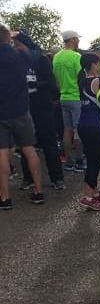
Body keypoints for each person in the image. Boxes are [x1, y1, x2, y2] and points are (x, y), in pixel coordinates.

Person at [0, 25, 45, 208]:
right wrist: (22, 35)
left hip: (1, 113)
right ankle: (38, 191)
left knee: (2, 153)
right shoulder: (20, 56)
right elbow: (37, 51)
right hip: (21, 111)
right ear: (7, 37)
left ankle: (4, 197)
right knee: (29, 149)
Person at [15, 33, 64, 191]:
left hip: (43, 107)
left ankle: (57, 178)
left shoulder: (41, 59)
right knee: (26, 145)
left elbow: (51, 83)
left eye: (17, 44)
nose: (15, 48)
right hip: (24, 109)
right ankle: (28, 178)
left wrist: (35, 83)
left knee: (49, 143)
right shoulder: (15, 60)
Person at [77, 52, 100, 211]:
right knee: (96, 161)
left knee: (92, 159)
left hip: (84, 124)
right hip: (95, 126)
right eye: (98, 62)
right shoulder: (97, 81)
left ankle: (93, 193)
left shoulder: (81, 80)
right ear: (94, 64)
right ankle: (87, 196)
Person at [52, 29, 85, 171]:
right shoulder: (76, 56)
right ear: (72, 39)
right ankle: (79, 160)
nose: (78, 41)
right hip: (76, 97)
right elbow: (81, 78)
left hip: (63, 96)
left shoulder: (57, 57)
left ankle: (69, 161)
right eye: (77, 38)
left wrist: (61, 92)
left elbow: (56, 79)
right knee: (78, 130)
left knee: (67, 130)